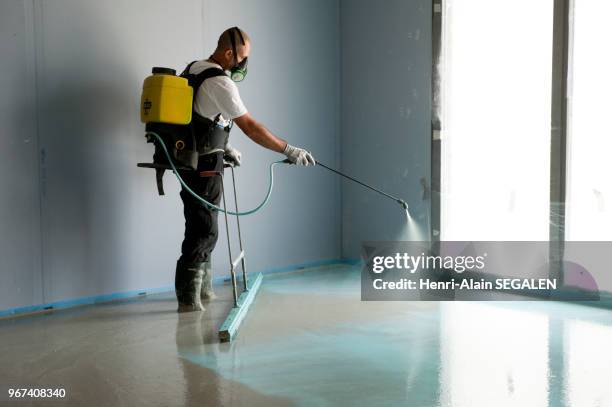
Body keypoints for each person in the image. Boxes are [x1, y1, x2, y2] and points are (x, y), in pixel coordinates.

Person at [175, 27, 315, 312]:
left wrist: (224, 147)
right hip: (203, 163)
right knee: (205, 227)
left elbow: (199, 116)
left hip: (190, 156)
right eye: (242, 57)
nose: (243, 64)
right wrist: (288, 149)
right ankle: (189, 299)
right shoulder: (221, 83)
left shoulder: (194, 69)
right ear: (229, 53)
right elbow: (250, 127)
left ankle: (202, 291)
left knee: (201, 222)